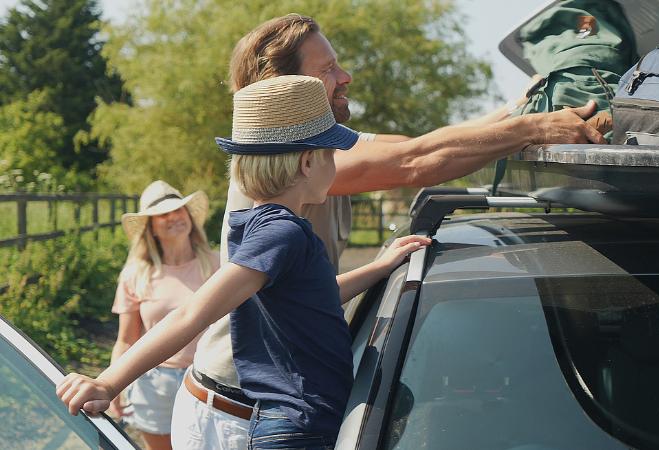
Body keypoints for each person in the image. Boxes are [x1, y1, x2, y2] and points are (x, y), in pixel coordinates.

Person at [174, 13, 610, 450]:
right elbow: (414, 163)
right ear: (284, 88)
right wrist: (532, 129)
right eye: (326, 70)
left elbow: (410, 145)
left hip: (274, 409)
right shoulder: (289, 160)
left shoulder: (322, 145)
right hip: (240, 415)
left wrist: (517, 112)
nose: (345, 77)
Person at [57, 75, 431, 450]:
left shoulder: (258, 225)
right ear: (307, 161)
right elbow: (192, 315)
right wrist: (107, 382)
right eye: (332, 154)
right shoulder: (281, 233)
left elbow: (313, 296)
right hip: (298, 427)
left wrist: (381, 267)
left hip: (299, 421)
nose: (336, 164)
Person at [109, 180, 219, 450]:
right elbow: (126, 339)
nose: (174, 217)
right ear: (151, 228)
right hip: (155, 382)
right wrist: (112, 385)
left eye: (179, 210)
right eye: (163, 214)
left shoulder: (219, 264)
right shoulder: (136, 274)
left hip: (211, 377)